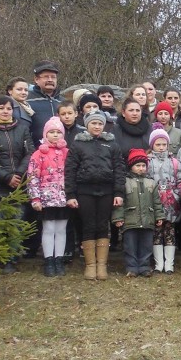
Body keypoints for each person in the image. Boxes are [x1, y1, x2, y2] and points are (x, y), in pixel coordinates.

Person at [65, 110, 126, 281]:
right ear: (87, 125)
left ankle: (102, 265)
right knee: (88, 226)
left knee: (102, 226)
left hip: (106, 191)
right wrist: (70, 194)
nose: (97, 126)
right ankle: (90, 265)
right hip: (85, 191)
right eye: (93, 123)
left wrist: (119, 192)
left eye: (100, 123)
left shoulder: (112, 144)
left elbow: (119, 169)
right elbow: (69, 170)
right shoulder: (78, 144)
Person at [0, 95, 36, 273]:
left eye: (9, 108)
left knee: (17, 224)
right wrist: (5, 177)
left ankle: (11, 260)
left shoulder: (22, 127)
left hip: (19, 183)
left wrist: (19, 174)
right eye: (1, 108)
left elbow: (30, 153)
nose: (6, 111)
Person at [26, 116, 70, 277]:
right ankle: (48, 259)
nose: (55, 135)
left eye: (58, 132)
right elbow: (32, 177)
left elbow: (72, 175)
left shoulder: (67, 153)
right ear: (45, 134)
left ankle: (59, 258)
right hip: (46, 198)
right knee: (49, 228)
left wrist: (72, 195)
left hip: (63, 198)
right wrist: (35, 198)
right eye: (51, 132)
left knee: (61, 229)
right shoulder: (38, 154)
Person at [113, 149, 164, 277]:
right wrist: (118, 217)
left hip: (147, 220)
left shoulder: (151, 182)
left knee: (146, 245)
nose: (141, 168)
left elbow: (156, 202)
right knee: (130, 245)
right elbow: (119, 203)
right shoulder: (124, 182)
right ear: (131, 166)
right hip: (130, 221)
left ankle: (144, 266)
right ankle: (131, 267)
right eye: (138, 166)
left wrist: (159, 216)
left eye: (143, 166)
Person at [148, 127, 181, 274]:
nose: (162, 147)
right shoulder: (148, 162)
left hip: (171, 204)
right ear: (152, 145)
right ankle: (158, 264)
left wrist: (175, 196)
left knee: (170, 232)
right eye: (158, 144)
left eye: (164, 144)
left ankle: (169, 264)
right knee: (156, 233)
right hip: (154, 204)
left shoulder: (175, 162)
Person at [27, 61, 62, 144]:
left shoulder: (63, 102)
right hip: (35, 151)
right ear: (36, 79)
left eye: (53, 77)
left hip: (62, 152)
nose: (50, 80)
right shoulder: (27, 100)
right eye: (46, 77)